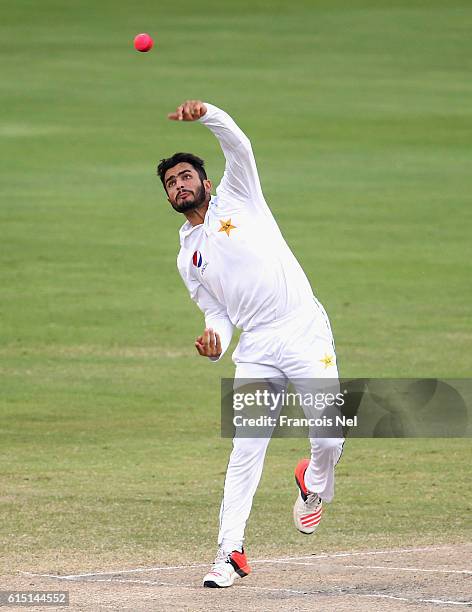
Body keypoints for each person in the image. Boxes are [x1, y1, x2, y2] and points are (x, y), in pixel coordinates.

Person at [157, 100, 344, 588]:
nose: (179, 184)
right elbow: (217, 314)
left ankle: (313, 482)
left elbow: (239, 145)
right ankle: (228, 552)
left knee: (328, 437)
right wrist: (213, 343)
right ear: (168, 196)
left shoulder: (240, 196)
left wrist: (208, 113)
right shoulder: (187, 257)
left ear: (206, 182)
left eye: (185, 176)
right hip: (257, 348)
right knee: (245, 450)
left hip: (302, 329)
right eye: (171, 183)